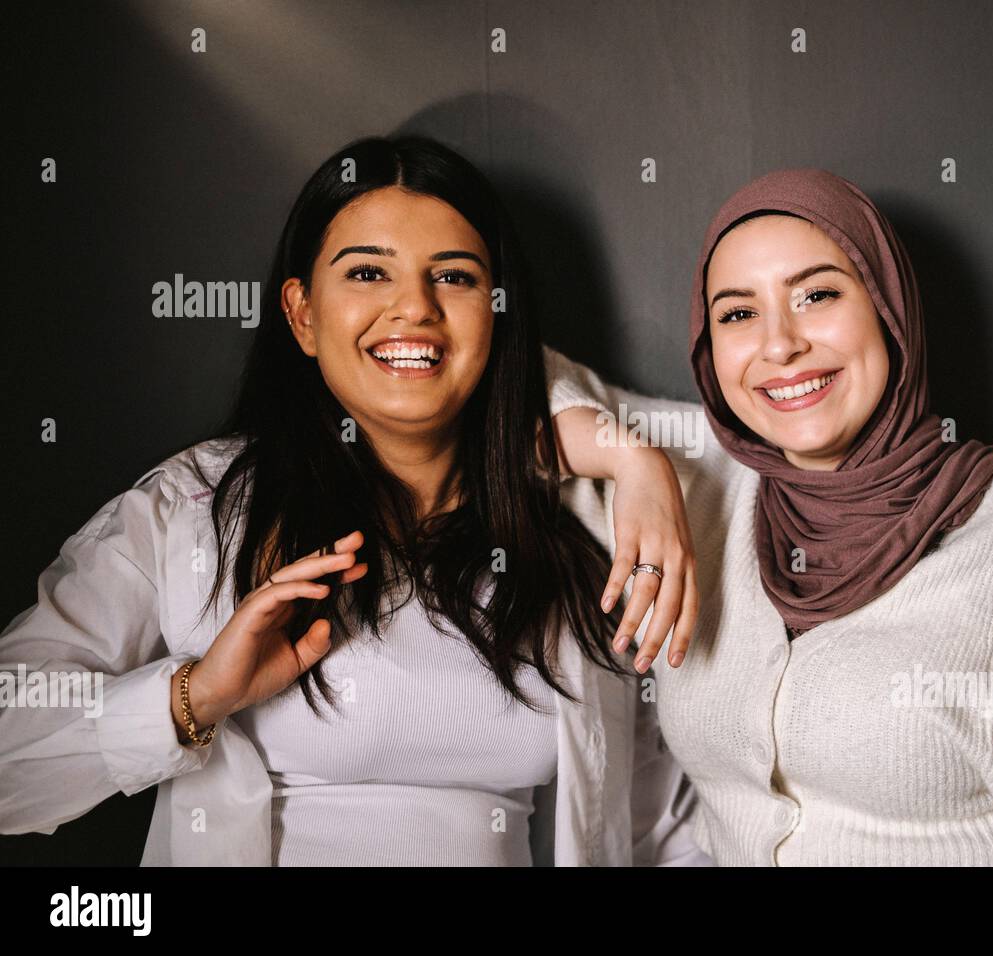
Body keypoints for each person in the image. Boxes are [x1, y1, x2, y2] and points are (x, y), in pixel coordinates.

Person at [0, 134, 709, 867]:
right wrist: (195, 698)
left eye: (456, 277)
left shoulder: (573, 539)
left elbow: (656, 833)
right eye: (368, 272)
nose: (414, 308)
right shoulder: (193, 508)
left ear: (497, 316)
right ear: (302, 315)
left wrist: (636, 457)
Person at [544, 168, 993, 865]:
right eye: (737, 313)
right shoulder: (698, 489)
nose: (779, 343)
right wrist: (630, 460)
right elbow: (489, 385)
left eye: (816, 295)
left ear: (887, 308)